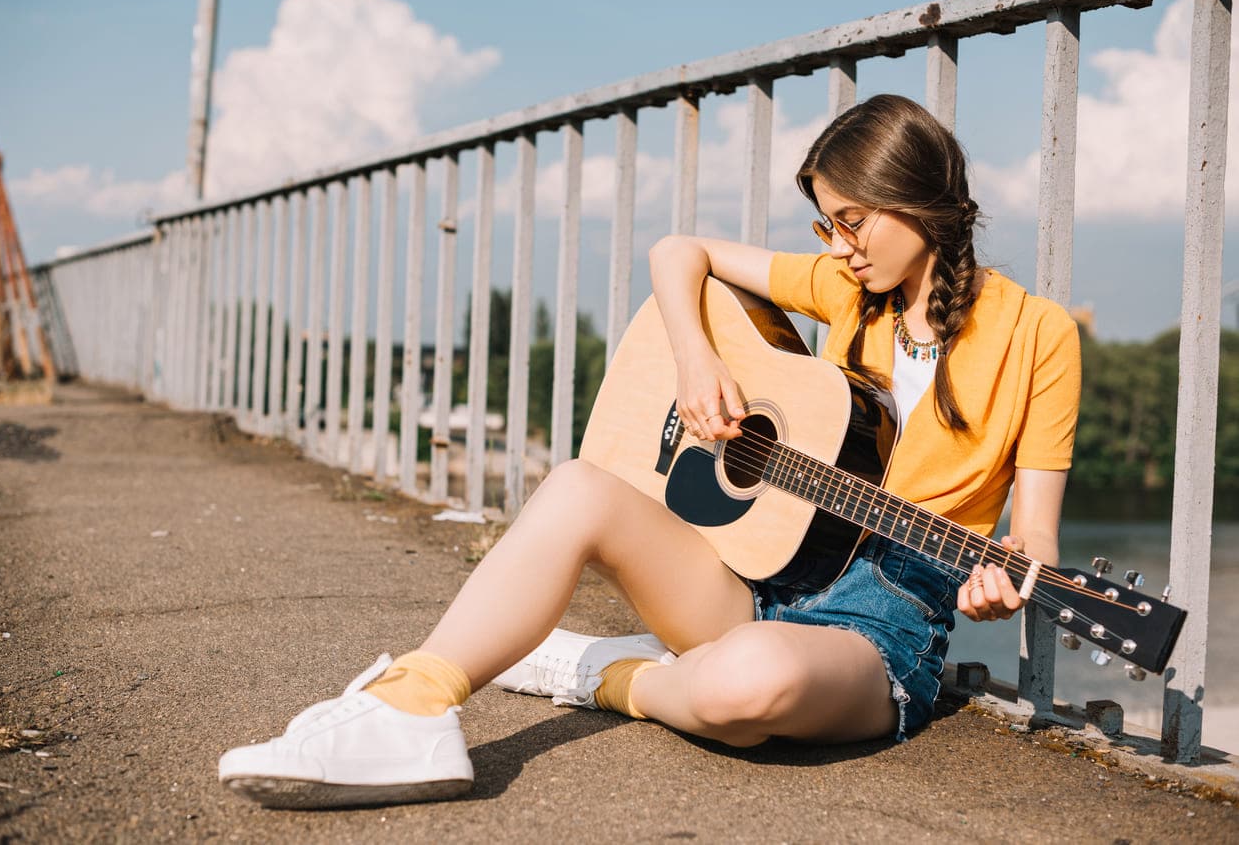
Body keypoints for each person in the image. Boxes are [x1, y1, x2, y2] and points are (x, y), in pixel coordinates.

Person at [217, 94, 1081, 809]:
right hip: (758, 572)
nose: (838, 249)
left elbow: (1035, 538)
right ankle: (411, 704)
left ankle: (602, 670)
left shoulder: (1039, 335)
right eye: (824, 228)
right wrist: (700, 361)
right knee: (577, 487)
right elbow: (681, 251)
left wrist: (1004, 580)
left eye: (851, 222)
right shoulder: (844, 291)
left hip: (881, 624)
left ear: (914, 200)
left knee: (744, 688)